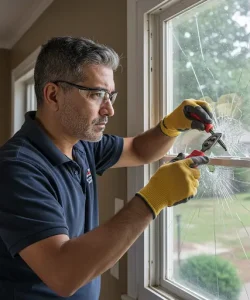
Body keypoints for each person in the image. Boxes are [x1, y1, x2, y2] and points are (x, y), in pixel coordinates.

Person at [0, 36, 212, 300]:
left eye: (110, 95)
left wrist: (171, 126)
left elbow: (137, 150)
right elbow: (63, 274)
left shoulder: (81, 144)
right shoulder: (16, 169)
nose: (109, 110)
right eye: (96, 94)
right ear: (53, 95)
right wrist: (153, 199)